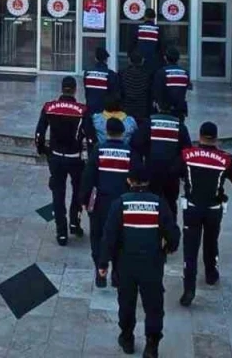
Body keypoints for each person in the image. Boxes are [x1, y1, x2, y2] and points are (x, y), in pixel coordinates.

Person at [98, 163, 180, 357]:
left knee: (126, 303)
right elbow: (173, 235)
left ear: (129, 180)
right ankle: (152, 344)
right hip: (152, 264)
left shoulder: (120, 204)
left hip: (125, 264)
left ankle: (127, 339)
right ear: (148, 181)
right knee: (153, 305)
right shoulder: (159, 204)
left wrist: (103, 264)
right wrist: (168, 248)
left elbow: (109, 237)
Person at [178, 121, 232, 307]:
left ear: (199, 136)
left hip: (192, 208)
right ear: (216, 139)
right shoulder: (224, 159)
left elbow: (174, 171)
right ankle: (211, 274)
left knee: (190, 249)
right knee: (211, 242)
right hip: (213, 209)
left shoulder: (187, 155)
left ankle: (189, 288)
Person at [34, 76, 90, 246]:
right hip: (75, 158)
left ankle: (61, 233)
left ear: (62, 88)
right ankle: (74, 222)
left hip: (56, 157)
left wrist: (43, 150)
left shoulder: (49, 107)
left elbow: (39, 134)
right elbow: (90, 136)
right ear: (75, 90)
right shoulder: (82, 110)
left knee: (58, 195)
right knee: (78, 191)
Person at [81, 116, 133, 287]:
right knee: (120, 237)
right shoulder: (129, 152)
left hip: (100, 202)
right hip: (121, 203)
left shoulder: (99, 150)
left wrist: (83, 199)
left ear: (107, 132)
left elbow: (88, 177)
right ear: (122, 133)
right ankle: (117, 274)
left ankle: (100, 272)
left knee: (97, 236)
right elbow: (136, 176)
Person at [131, 106, 191, 225]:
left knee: (152, 203)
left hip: (152, 173)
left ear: (158, 106)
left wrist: (141, 168)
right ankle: (170, 230)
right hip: (172, 176)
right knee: (170, 205)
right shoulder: (180, 126)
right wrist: (178, 170)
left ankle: (152, 228)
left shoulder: (149, 123)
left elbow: (135, 146)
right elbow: (187, 153)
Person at [119, 48, 155, 127]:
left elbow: (120, 93)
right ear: (142, 61)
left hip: (126, 110)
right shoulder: (148, 75)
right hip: (142, 111)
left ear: (129, 60)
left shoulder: (122, 74)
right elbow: (151, 94)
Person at [152, 45, 192, 117]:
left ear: (165, 58)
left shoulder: (161, 72)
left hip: (165, 110)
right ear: (178, 58)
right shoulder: (185, 73)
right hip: (180, 110)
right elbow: (187, 87)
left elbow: (157, 92)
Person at [83, 46, 120, 114]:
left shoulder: (87, 73)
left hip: (90, 111)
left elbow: (87, 93)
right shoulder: (111, 75)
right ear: (106, 60)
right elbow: (114, 95)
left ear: (95, 58)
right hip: (105, 113)